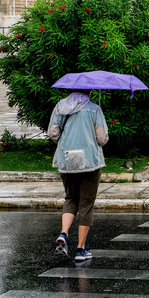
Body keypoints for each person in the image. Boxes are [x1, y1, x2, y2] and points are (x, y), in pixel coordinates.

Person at [48, 89, 109, 262]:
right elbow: (101, 139)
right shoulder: (94, 109)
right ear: (89, 92)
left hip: (67, 159)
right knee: (86, 203)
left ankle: (64, 233)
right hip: (90, 161)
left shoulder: (60, 106)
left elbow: (53, 133)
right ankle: (81, 249)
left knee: (71, 198)